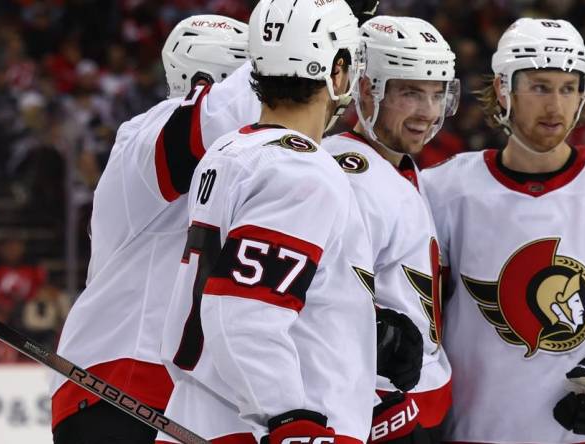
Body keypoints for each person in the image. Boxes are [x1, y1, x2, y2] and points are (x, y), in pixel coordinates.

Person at [421, 18, 585, 443]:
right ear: (503, 89)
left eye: (569, 88)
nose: (556, 106)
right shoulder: (442, 191)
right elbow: (420, 317)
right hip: (477, 432)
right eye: (540, 87)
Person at [155, 1, 376, 444]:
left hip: (207, 411)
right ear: (337, 72)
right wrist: (288, 417)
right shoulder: (300, 171)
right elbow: (243, 308)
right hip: (268, 428)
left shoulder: (230, 151)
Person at [50, 15, 250, 444]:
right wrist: (294, 50)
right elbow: (208, 124)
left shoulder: (246, 166)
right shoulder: (147, 133)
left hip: (194, 395)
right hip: (121, 380)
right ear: (204, 79)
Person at [321, 16, 459, 444]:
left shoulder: (402, 167)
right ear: (366, 89)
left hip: (419, 402)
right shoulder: (342, 172)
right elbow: (319, 296)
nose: (429, 112)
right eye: (411, 93)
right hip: (377, 405)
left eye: (437, 94)